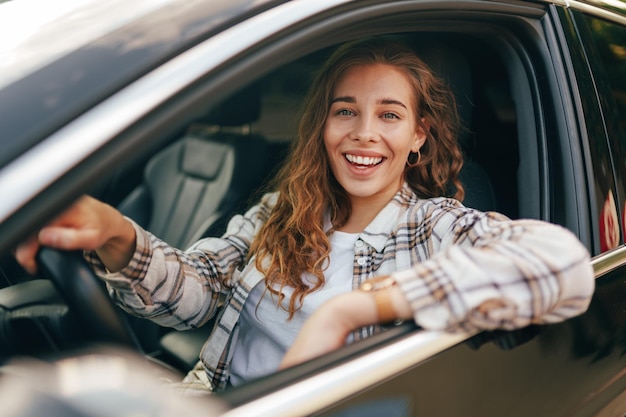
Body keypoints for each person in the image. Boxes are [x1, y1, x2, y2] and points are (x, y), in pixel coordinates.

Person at [14, 38, 595, 392]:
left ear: (419, 136)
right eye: (346, 111)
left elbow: (564, 264)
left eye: (390, 115)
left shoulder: (435, 226)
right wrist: (115, 234)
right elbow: (193, 297)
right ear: (323, 125)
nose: (364, 133)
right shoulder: (282, 211)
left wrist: (351, 310)